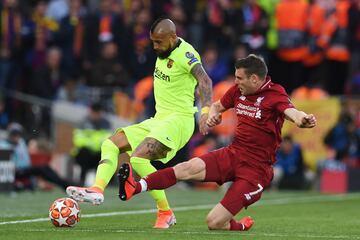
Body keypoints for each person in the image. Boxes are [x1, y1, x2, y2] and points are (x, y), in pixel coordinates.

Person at [117, 54, 316, 231]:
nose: (235, 82)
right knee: (186, 167)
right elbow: (217, 106)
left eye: (239, 78)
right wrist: (213, 116)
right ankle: (135, 187)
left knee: (214, 222)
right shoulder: (238, 91)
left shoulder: (275, 94)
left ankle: (240, 225)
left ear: (254, 79)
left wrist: (302, 119)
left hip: (256, 170)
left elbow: (292, 112)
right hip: (234, 153)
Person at [66, 18, 213, 229]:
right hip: (159, 119)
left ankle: (165, 212)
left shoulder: (186, 54)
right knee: (110, 143)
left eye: (159, 42)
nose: (155, 47)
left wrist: (206, 111)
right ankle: (97, 190)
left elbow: (205, 81)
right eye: (152, 41)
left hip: (179, 120)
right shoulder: (163, 49)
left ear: (173, 37)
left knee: (138, 159)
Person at [72, 102, 112, 185]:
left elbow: (108, 139)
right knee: (84, 153)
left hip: (98, 152)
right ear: (90, 111)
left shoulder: (106, 123)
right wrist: (95, 144)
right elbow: (78, 140)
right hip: (85, 153)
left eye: (98, 113)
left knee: (109, 155)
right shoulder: (82, 122)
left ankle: (106, 182)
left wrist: (92, 142)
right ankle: (81, 180)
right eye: (95, 112)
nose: (96, 115)